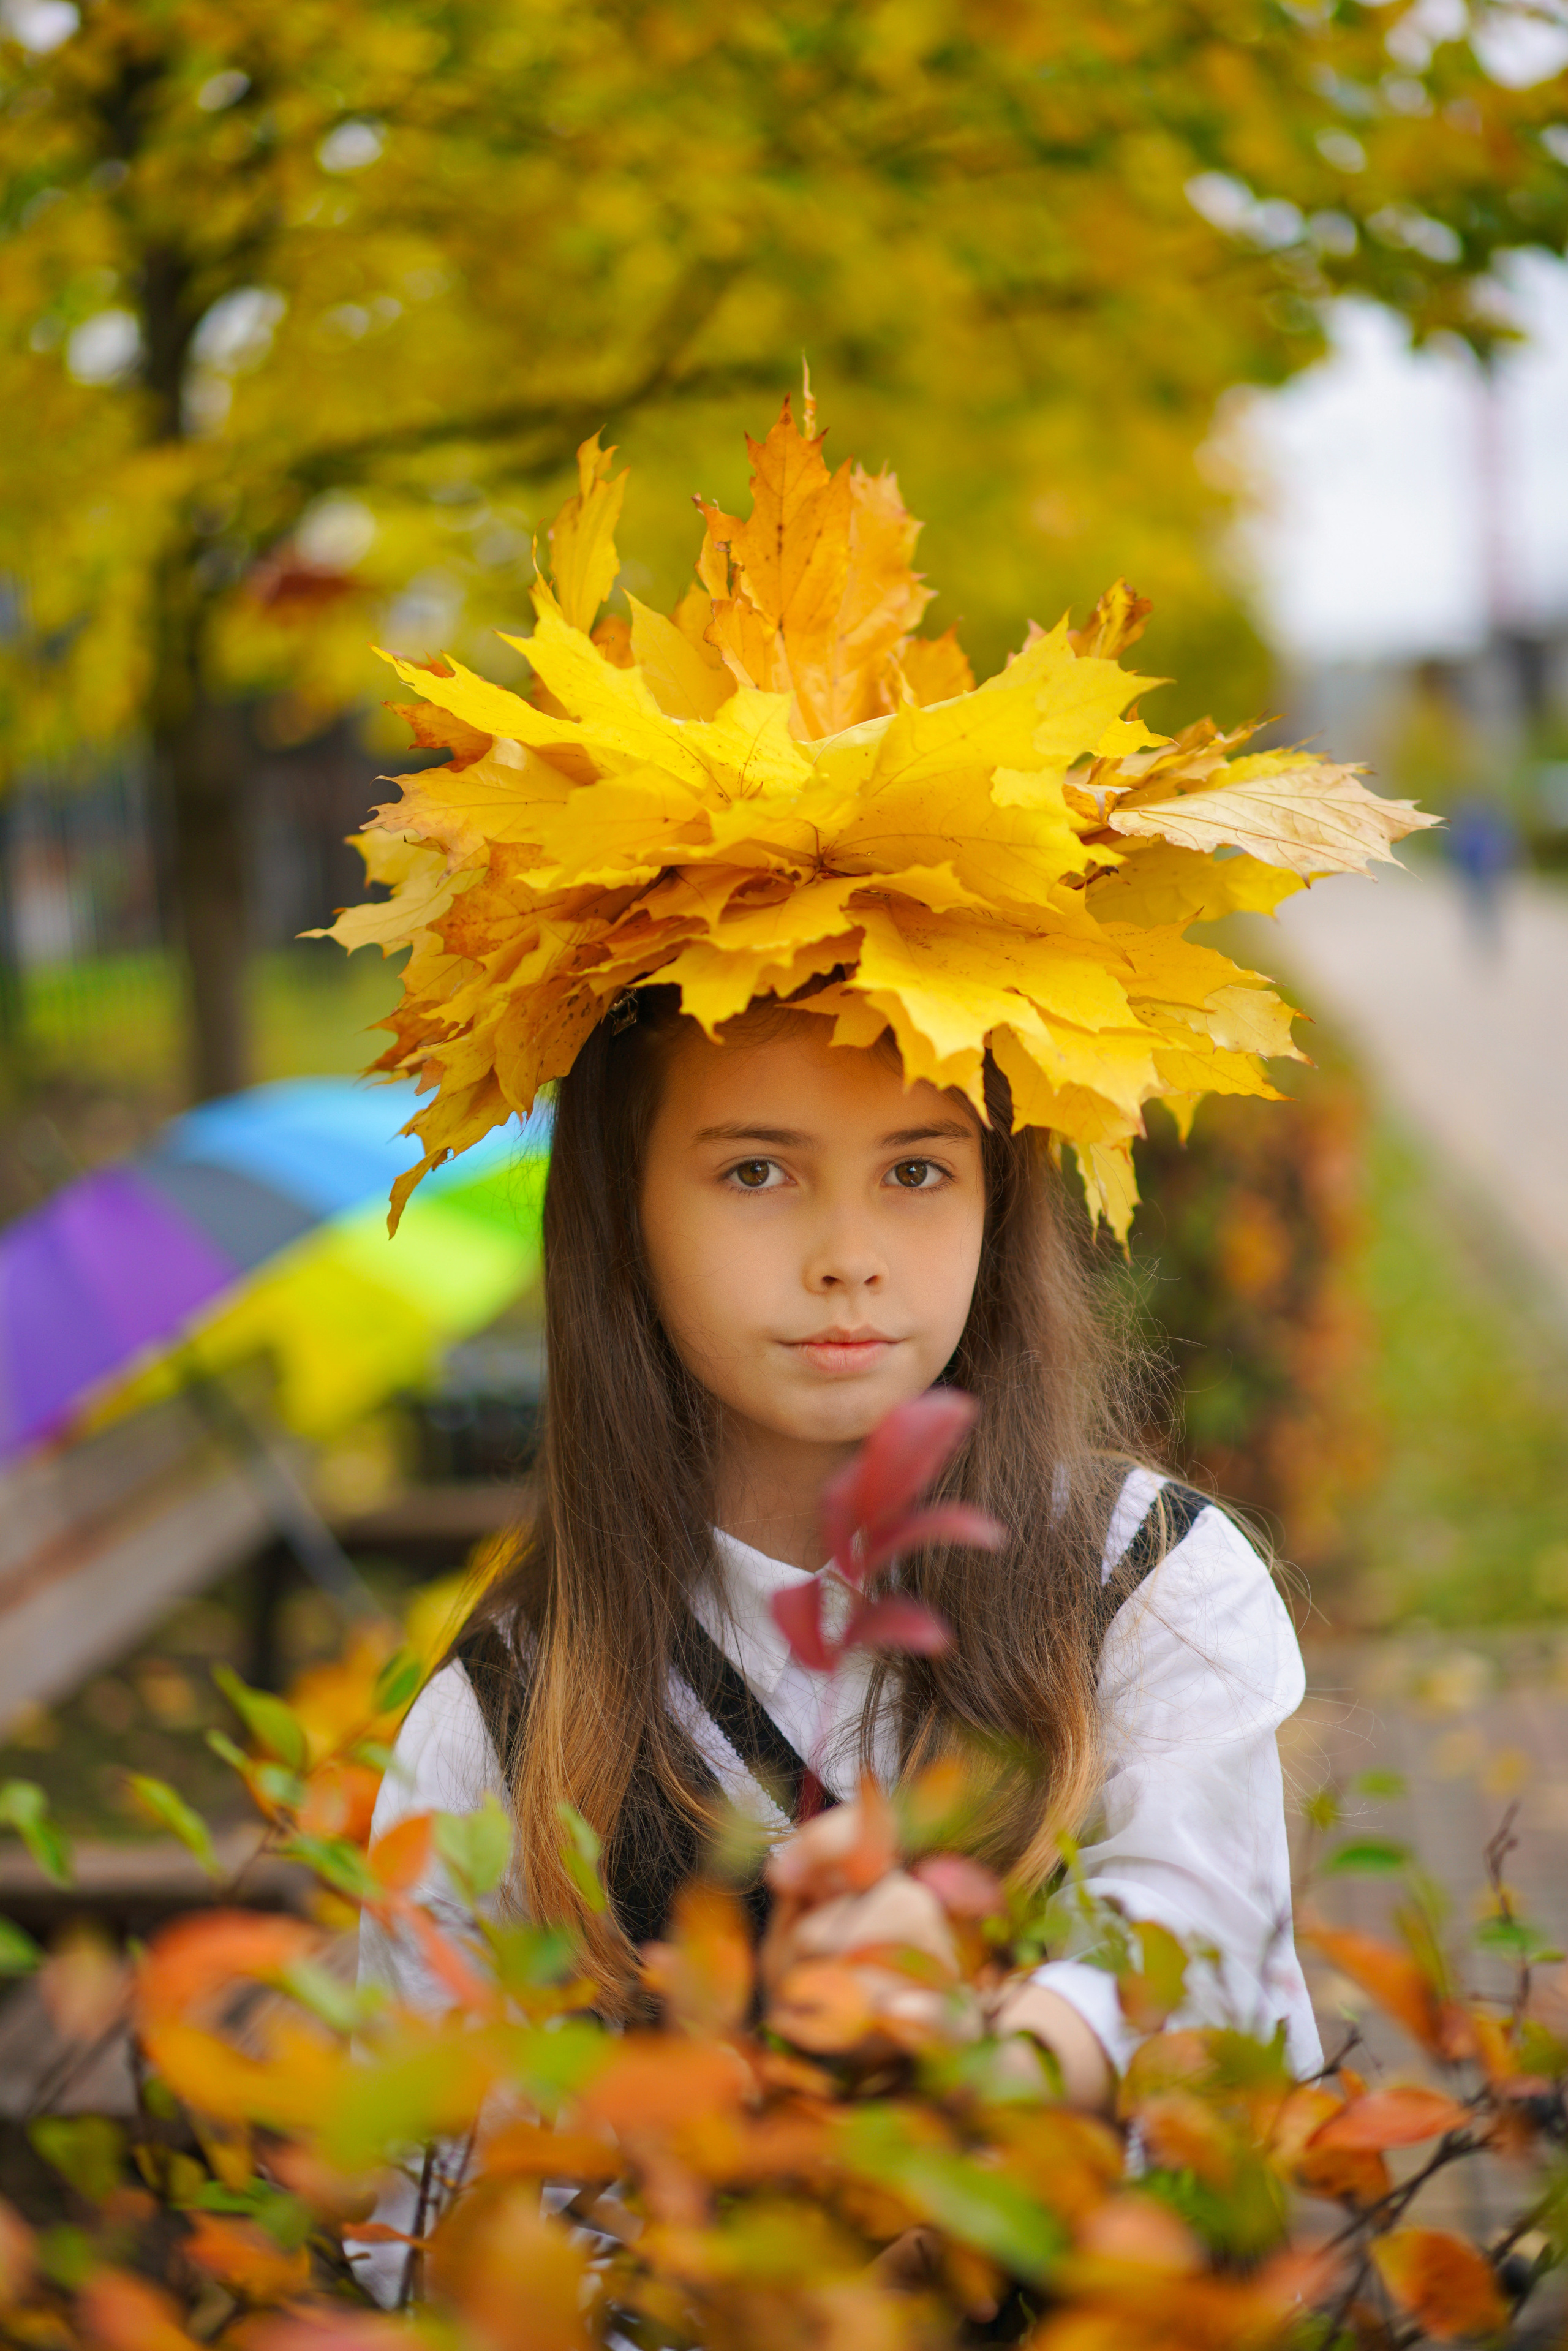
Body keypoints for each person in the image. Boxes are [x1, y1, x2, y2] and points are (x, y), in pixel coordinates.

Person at [334, 396, 1430, 2297]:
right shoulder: (515, 1713)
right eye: (758, 1173)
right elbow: (396, 2221)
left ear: (1002, 1202)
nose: (850, 1258)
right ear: (624, 1214)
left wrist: (1001, 2053)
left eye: (918, 1171)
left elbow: (1219, 2028)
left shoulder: (1149, 1594)